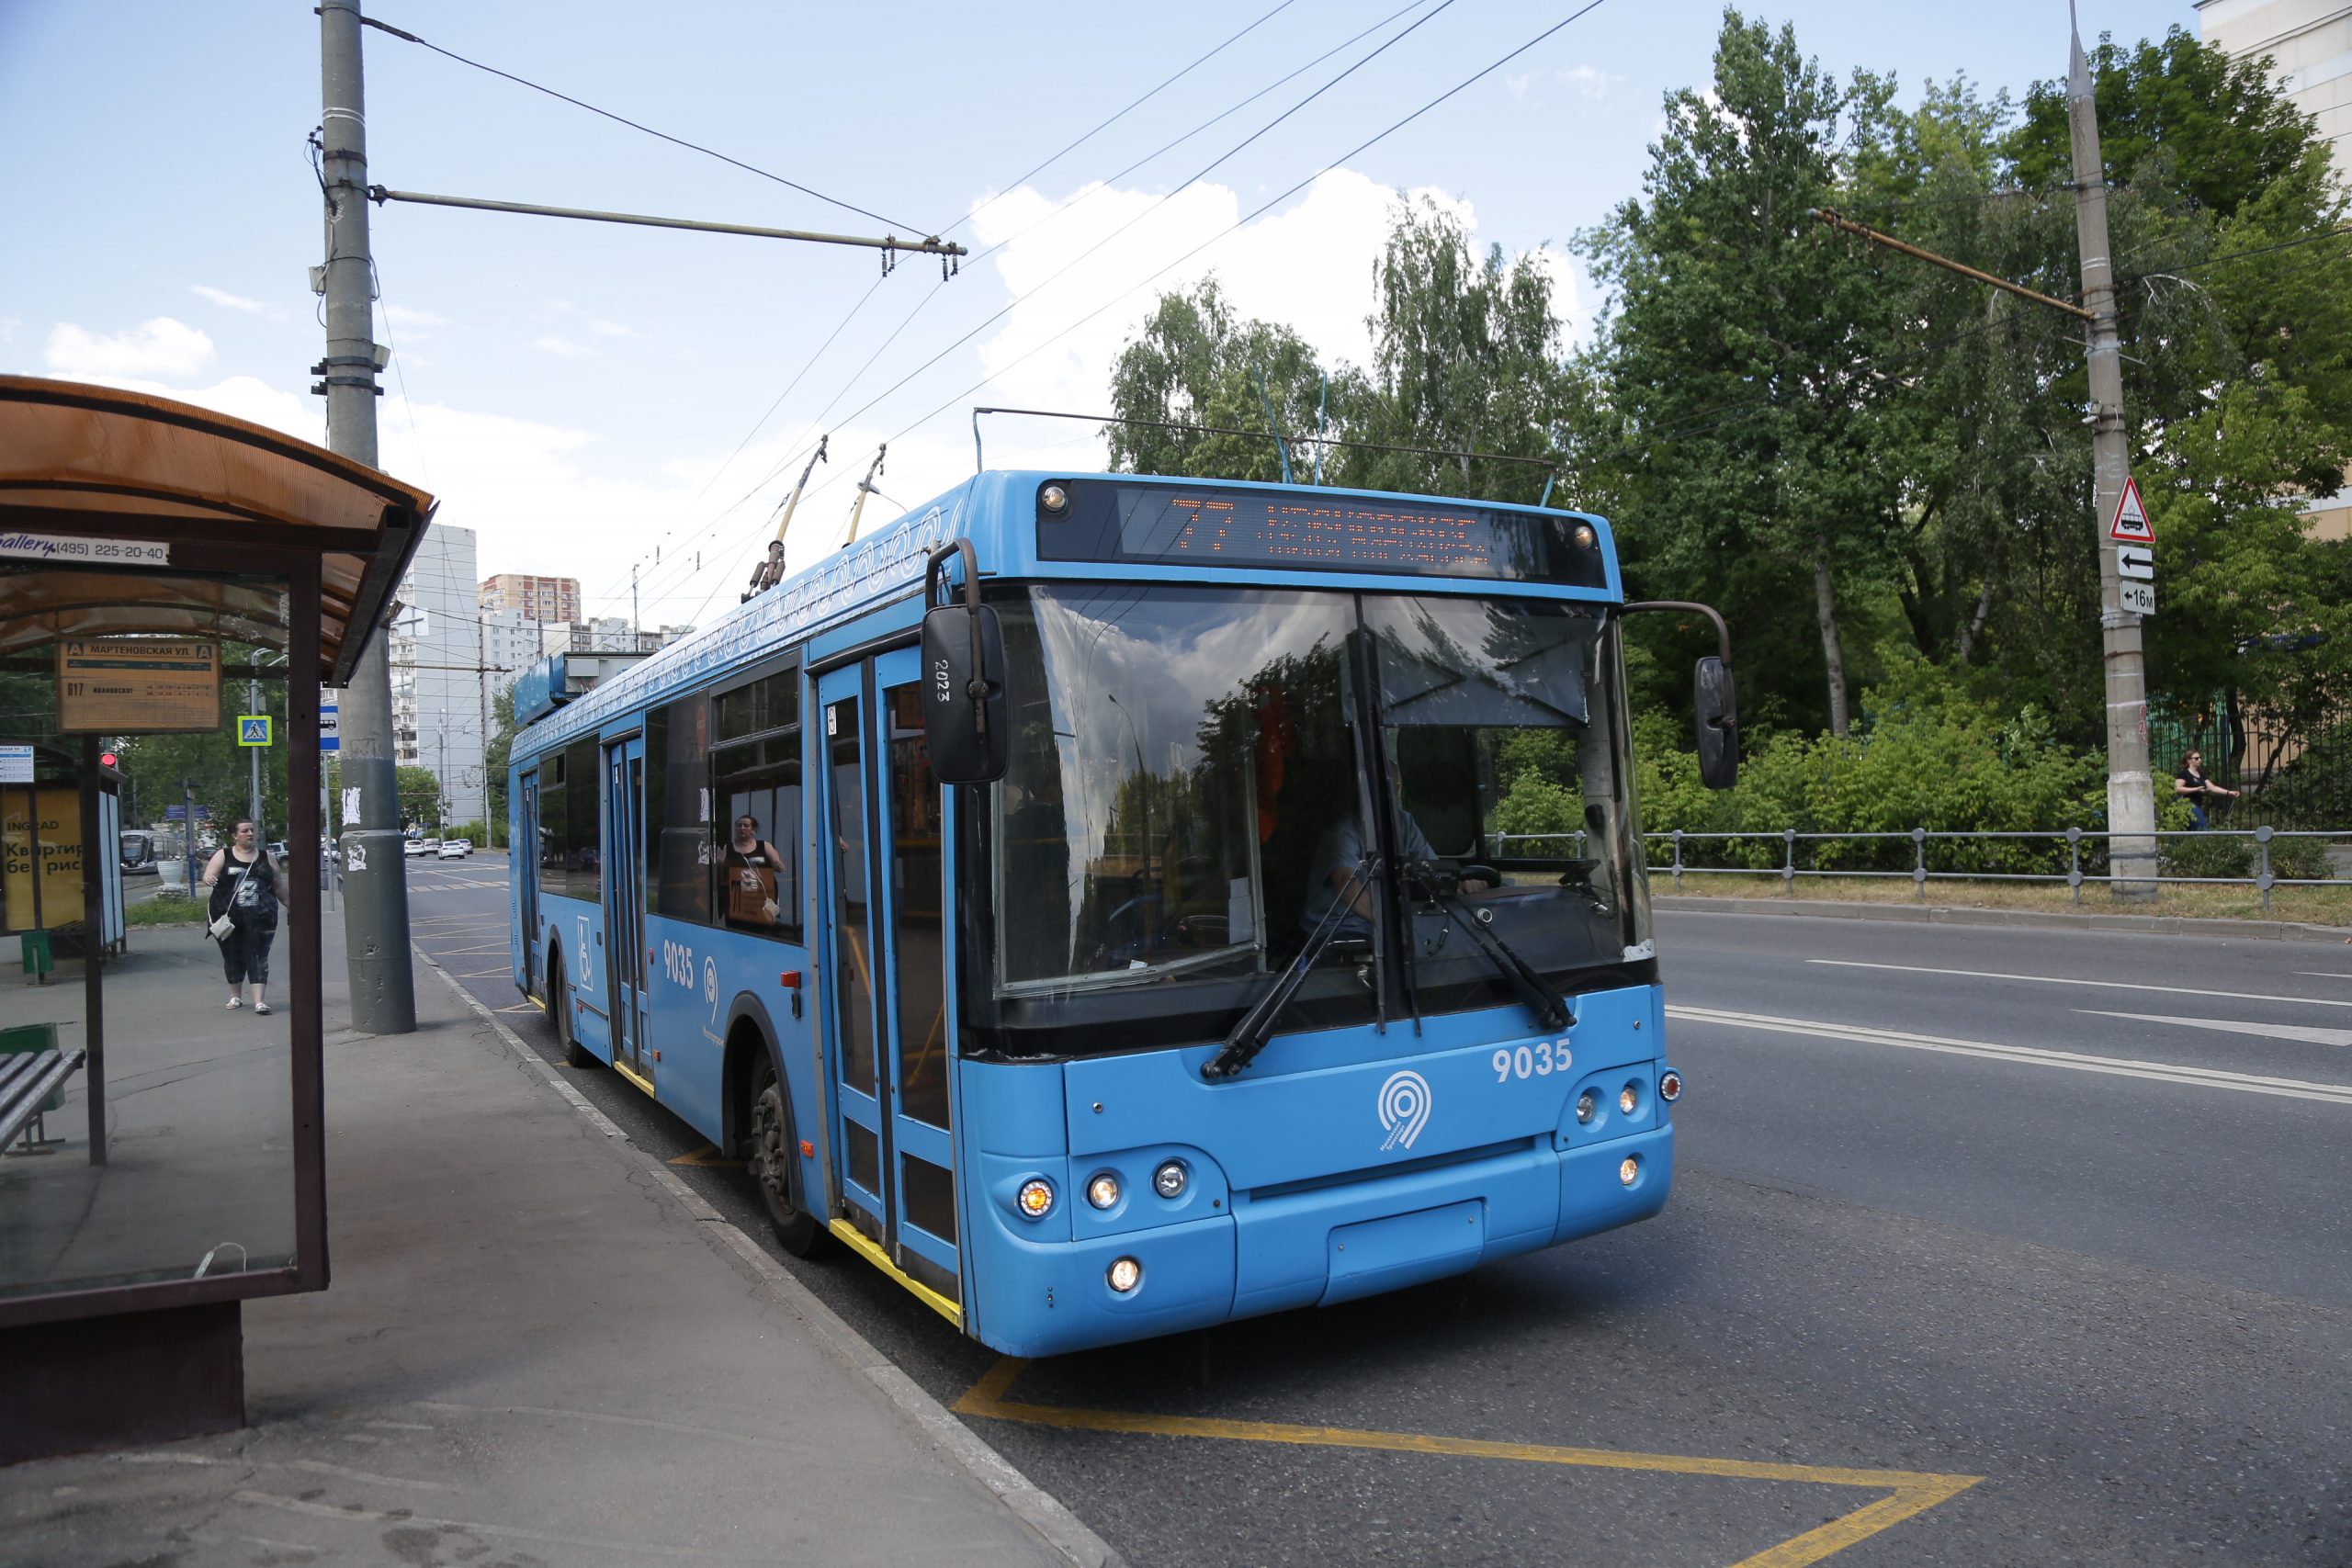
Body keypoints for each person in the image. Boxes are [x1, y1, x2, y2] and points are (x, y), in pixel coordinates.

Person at [1299, 807, 1494, 940]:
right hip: (1339, 930)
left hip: (1386, 927)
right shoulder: (1344, 831)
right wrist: (1393, 923)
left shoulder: (1404, 823)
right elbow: (1346, 882)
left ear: (1397, 787)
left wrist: (1460, 886)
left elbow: (1432, 872)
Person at [200, 818, 288, 1014]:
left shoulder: (267, 857)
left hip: (262, 917)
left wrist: (291, 906)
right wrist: (209, 878)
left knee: (258, 956)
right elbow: (208, 874)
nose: (250, 834)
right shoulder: (223, 855)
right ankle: (236, 996)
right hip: (228, 917)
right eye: (245, 831)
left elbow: (279, 886)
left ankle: (259, 1001)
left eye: (251, 830)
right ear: (234, 835)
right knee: (232, 955)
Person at [725, 813, 786, 927]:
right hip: (739, 901)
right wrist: (719, 861)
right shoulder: (727, 848)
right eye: (739, 825)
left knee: (763, 929)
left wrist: (778, 865)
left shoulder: (764, 846)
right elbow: (721, 872)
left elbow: (776, 862)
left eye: (746, 826)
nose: (742, 828)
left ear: (753, 830)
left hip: (761, 898)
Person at [2174, 749, 2240, 829]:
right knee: (2202, 828)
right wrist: (2195, 789)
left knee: (2191, 830)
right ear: (2189, 760)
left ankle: (2179, 841)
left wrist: (2229, 792)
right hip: (2188, 805)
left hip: (2197, 804)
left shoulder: (2200, 774)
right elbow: (2178, 789)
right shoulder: (2184, 773)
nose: (2199, 760)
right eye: (2196, 758)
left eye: (2200, 758)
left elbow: (2212, 787)